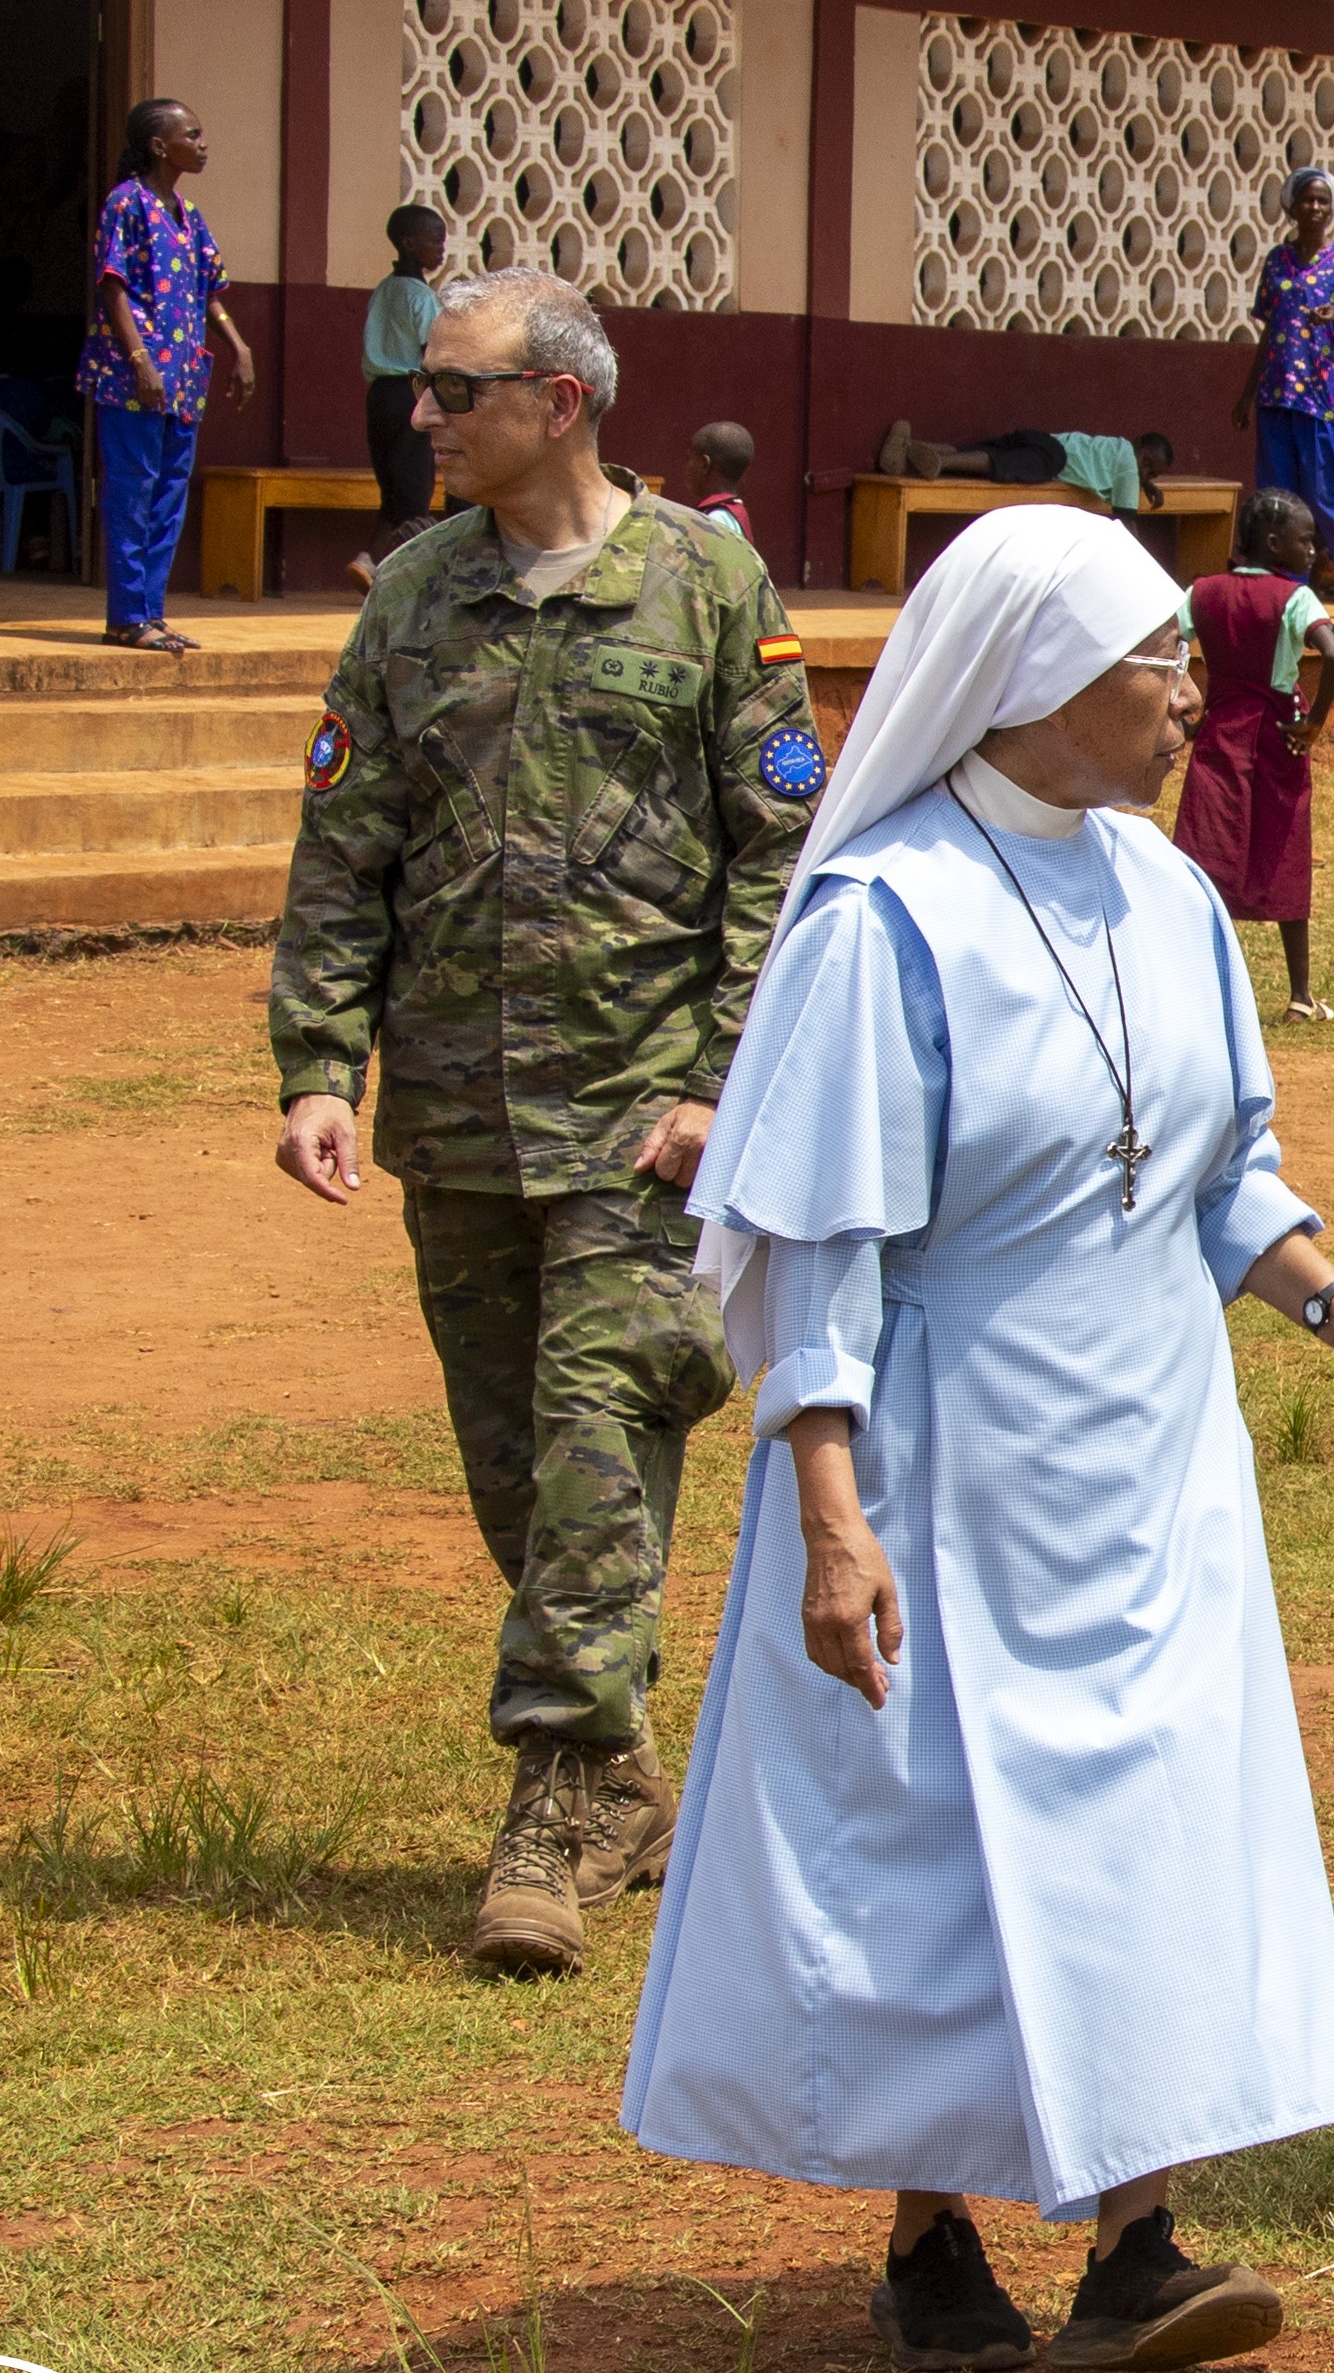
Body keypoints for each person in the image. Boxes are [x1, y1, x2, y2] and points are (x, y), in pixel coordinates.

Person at [631, 504, 1334, 2373]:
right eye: (1156, 663)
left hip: (1151, 1461)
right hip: (943, 1461)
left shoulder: (1163, 894)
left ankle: (1140, 2241)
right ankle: (931, 2250)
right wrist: (831, 1515)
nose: (1185, 696)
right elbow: (819, 1244)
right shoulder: (882, 917)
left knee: (1151, 1828)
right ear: (1034, 683)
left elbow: (1218, 1172)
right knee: (948, 1852)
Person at [266, 267, 817, 1976]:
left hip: (639, 1121)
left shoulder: (709, 586)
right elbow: (344, 849)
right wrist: (315, 1063)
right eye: (424, 392)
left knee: (596, 1437)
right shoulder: (414, 598)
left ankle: (551, 1805)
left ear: (561, 400)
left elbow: (780, 856)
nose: (418, 416)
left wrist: (724, 1081)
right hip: (456, 1111)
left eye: (452, 391)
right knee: (522, 1471)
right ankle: (623, 1773)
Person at [79, 96, 253, 653]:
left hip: (183, 377)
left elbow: (209, 291)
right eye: (192, 135)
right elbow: (112, 283)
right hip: (136, 377)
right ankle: (126, 616)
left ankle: (151, 613)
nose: (202, 144)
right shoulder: (126, 204)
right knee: (132, 492)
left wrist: (238, 345)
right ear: (159, 145)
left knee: (169, 495)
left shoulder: (188, 213)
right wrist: (138, 359)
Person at [1177, 486, 1334, 1022]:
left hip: (1221, 732)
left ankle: (1196, 985)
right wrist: (1315, 721)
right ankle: (1300, 996)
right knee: (1284, 851)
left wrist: (1183, 703)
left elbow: (1165, 640)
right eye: (1306, 540)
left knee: (1210, 850)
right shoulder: (1295, 597)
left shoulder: (1201, 591)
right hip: (1280, 735)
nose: (1313, 550)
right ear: (1273, 542)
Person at [1240, 167, 1334, 603]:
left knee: (1324, 492)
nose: (1314, 207)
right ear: (1292, 206)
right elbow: (1268, 329)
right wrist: (1246, 392)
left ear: (1332, 207)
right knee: (1278, 496)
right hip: (1276, 395)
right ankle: (1286, 590)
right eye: (1306, 199)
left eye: (1322, 200)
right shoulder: (1277, 261)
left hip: (1324, 399)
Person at [352, 203, 449, 591]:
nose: (442, 248)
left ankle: (370, 561)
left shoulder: (385, 289)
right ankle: (403, 581)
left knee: (392, 487)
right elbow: (433, 352)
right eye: (435, 240)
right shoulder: (421, 297)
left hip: (380, 398)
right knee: (413, 491)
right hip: (411, 396)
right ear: (410, 244)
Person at [873, 419, 1171, 518]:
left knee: (984, 451)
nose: (1143, 471)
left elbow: (1131, 470)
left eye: (1151, 472)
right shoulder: (1128, 472)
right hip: (1054, 460)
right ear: (1137, 444)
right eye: (1146, 462)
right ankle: (940, 463)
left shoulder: (1121, 449)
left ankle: (910, 447)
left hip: (1042, 439)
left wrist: (1147, 485)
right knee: (1002, 465)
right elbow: (1125, 523)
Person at [682, 420, 760, 556]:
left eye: (689, 458)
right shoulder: (734, 510)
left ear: (704, 465)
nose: (686, 466)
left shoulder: (714, 521)